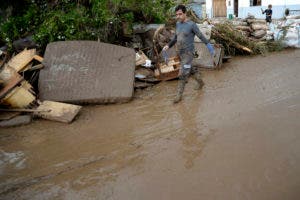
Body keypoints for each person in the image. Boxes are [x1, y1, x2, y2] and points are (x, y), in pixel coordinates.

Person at [163, 4, 215, 103]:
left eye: (180, 14)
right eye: (177, 15)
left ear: (185, 13)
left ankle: (178, 95)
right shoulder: (178, 24)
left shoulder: (192, 25)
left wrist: (208, 45)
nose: (178, 16)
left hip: (189, 54)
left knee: (183, 73)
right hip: (181, 53)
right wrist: (168, 46)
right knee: (190, 68)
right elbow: (175, 38)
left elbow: (200, 35)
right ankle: (200, 82)